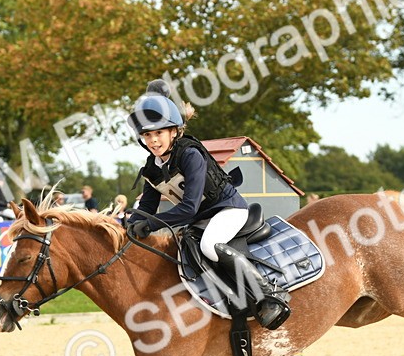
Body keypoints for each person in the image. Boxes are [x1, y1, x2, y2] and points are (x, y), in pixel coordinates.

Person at [124, 79, 289, 330]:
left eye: (159, 133)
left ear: (173, 132)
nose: (153, 140)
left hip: (228, 210)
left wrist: (150, 224)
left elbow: (188, 208)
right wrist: (129, 226)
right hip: (201, 219)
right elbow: (146, 207)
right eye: (147, 135)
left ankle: (268, 294)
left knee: (210, 246)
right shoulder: (152, 168)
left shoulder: (190, 154)